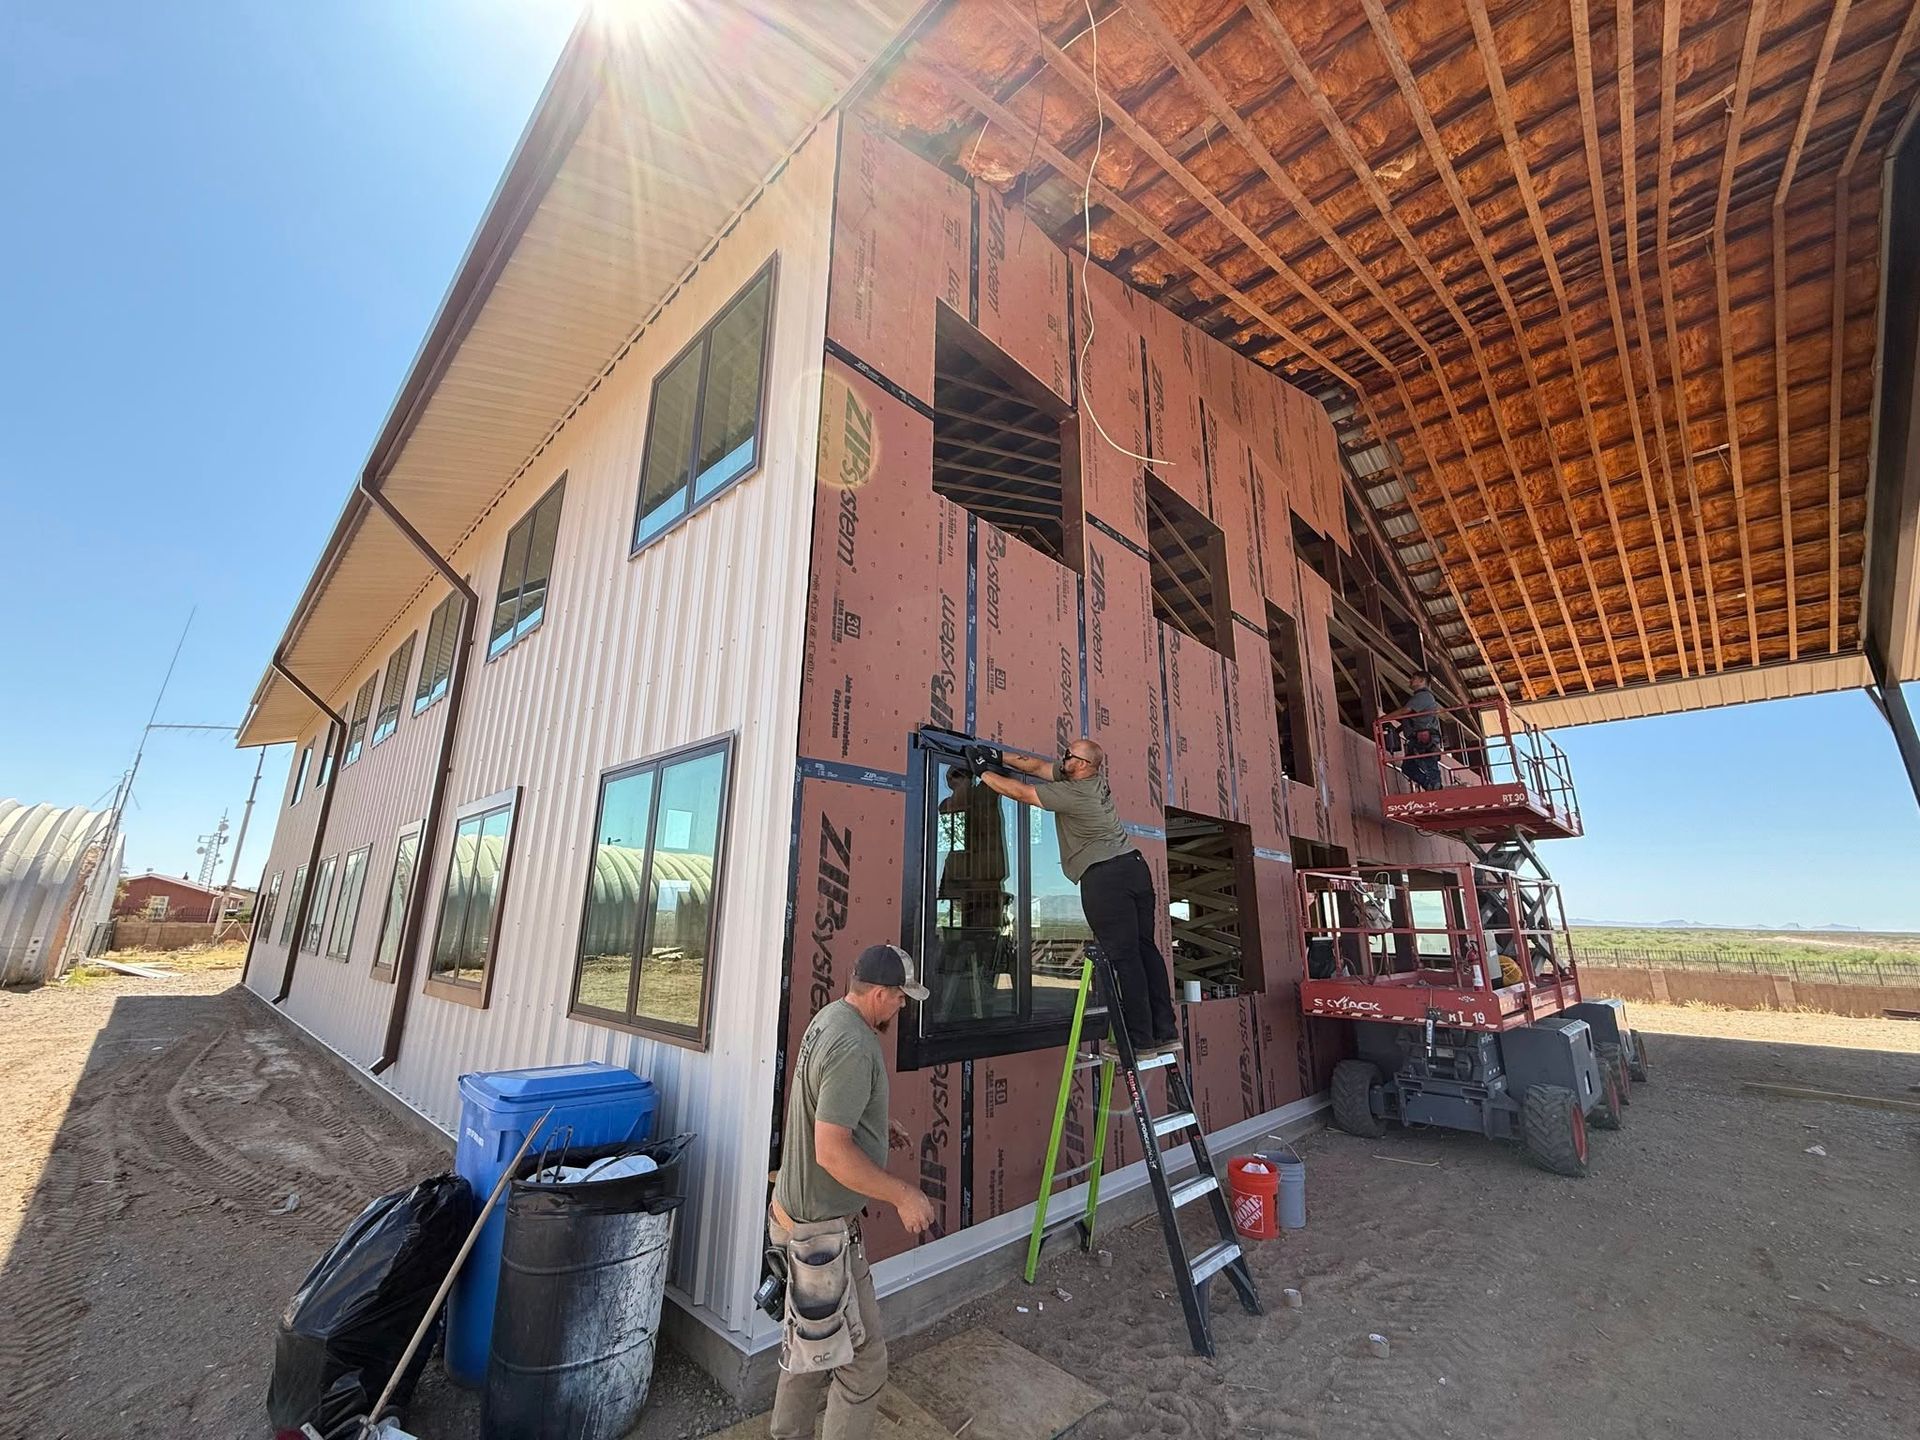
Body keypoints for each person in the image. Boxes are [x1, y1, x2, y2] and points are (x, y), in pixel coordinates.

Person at [769, 944, 938, 1440]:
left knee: (809, 1344)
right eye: (900, 998)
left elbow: (828, 1109)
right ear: (880, 993)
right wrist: (904, 1195)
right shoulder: (854, 1046)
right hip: (822, 1235)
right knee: (864, 1365)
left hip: (794, 1220)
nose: (903, 1008)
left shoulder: (831, 1020)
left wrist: (874, 1124)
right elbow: (832, 1154)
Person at [975, 737, 1180, 1058]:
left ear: (1082, 765)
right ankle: (1165, 1032)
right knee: (1145, 950)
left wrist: (982, 772)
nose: (1062, 758)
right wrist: (998, 756)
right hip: (1134, 868)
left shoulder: (1073, 794)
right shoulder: (1091, 779)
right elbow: (1039, 767)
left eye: (1068, 756)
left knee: (1125, 959)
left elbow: (1020, 792)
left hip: (1107, 876)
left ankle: (1140, 1042)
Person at [1390, 670, 1444, 791]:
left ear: (1422, 681)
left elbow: (1406, 711)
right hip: (1417, 738)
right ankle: (1431, 786)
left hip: (1424, 736)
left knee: (1428, 764)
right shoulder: (1422, 697)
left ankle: (1435, 788)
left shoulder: (1424, 696)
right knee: (1409, 767)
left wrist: (1383, 719)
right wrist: (1398, 730)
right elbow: (1412, 719)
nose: (1410, 681)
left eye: (1413, 678)